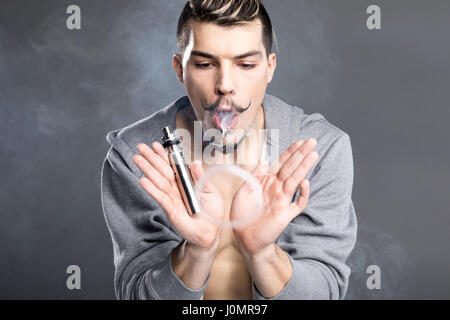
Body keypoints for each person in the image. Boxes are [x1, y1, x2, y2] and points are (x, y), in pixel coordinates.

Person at [101, 0, 357, 300]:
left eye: (246, 65)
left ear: (269, 68)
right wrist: (196, 251)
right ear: (180, 69)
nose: (225, 85)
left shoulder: (319, 150)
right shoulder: (137, 156)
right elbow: (135, 295)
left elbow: (325, 293)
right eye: (205, 64)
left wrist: (262, 253)